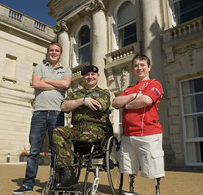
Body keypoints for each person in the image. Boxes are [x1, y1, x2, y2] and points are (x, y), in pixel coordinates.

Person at [13, 42, 72, 194]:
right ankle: (28, 184)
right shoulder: (39, 67)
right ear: (48, 53)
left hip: (57, 113)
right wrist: (55, 84)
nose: (54, 53)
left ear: (60, 53)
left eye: (57, 51)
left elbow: (65, 85)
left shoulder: (66, 69)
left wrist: (45, 81)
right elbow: (35, 84)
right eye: (51, 50)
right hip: (39, 112)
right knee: (34, 150)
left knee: (55, 150)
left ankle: (53, 183)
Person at [52, 65, 112, 190]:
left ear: (98, 76)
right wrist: (82, 101)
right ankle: (68, 176)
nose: (90, 77)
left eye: (93, 75)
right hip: (77, 129)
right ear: (83, 77)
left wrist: (78, 103)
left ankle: (68, 178)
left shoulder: (103, 93)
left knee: (64, 132)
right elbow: (64, 107)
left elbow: (100, 105)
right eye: (87, 75)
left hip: (96, 130)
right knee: (58, 131)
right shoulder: (76, 94)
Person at [112, 54, 165, 193]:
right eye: (136, 66)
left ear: (149, 67)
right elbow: (115, 102)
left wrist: (127, 105)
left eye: (142, 65)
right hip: (128, 136)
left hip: (148, 134)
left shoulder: (154, 83)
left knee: (153, 170)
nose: (139, 68)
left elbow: (147, 100)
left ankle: (157, 191)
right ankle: (131, 190)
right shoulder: (129, 89)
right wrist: (134, 96)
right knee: (129, 168)